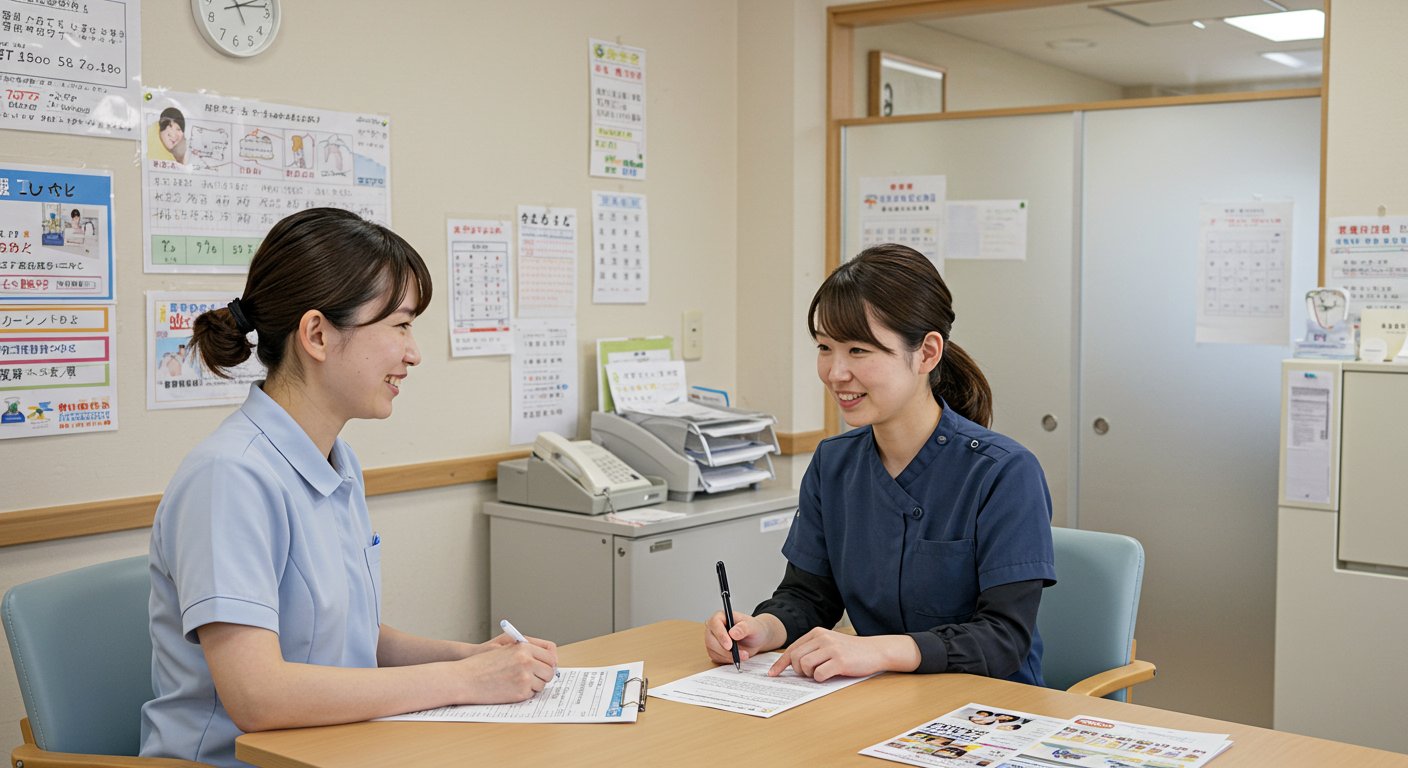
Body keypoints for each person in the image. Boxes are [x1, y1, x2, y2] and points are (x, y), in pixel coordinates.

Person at [140, 208, 558, 767]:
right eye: (401, 325)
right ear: (317, 334)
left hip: (339, 750)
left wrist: (475, 656)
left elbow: (351, 638)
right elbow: (258, 696)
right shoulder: (229, 477)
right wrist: (462, 679)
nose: (414, 353)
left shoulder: (337, 462)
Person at [704, 242, 1056, 685]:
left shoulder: (1004, 473)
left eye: (859, 351)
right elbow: (809, 595)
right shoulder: (833, 464)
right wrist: (763, 629)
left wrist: (875, 649)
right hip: (879, 700)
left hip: (985, 711)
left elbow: (1003, 638)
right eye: (825, 347)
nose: (835, 373)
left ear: (927, 353)